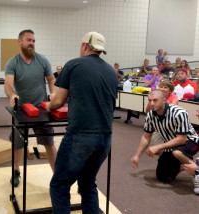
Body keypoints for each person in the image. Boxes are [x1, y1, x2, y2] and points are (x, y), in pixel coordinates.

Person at [46, 32, 118, 213]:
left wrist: (48, 105)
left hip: (80, 136)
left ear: (85, 45)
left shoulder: (73, 64)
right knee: (87, 183)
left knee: (60, 185)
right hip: (105, 138)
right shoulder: (111, 71)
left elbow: (58, 102)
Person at [4, 29, 57, 187]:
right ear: (19, 42)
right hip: (21, 110)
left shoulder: (42, 60)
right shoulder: (13, 62)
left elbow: (51, 79)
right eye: (28, 40)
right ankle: (15, 171)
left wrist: (53, 93)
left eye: (33, 40)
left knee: (49, 142)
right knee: (17, 142)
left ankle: (58, 176)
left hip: (41, 110)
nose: (32, 43)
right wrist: (12, 95)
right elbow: (8, 85)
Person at [131, 90, 199, 187]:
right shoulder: (150, 115)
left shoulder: (179, 112)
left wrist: (158, 147)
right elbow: (146, 136)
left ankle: (196, 173)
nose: (152, 103)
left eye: (155, 100)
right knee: (162, 176)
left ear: (164, 100)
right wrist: (137, 155)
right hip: (171, 145)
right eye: (149, 100)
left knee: (177, 152)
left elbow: (181, 139)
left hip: (190, 140)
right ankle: (189, 163)